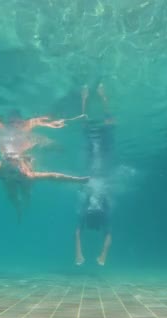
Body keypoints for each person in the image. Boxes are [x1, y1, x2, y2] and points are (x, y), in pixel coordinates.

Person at [75, 83, 115, 266]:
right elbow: (108, 234)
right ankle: (103, 97)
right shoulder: (104, 211)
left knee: (86, 132)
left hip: (92, 161)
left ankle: (84, 99)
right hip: (103, 159)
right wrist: (102, 255)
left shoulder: (85, 211)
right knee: (108, 128)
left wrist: (79, 254)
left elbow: (77, 232)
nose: (93, 210)